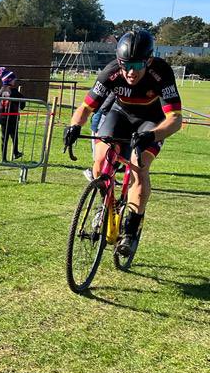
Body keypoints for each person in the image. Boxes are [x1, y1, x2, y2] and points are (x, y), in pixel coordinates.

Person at [64, 28, 182, 258]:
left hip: (151, 121)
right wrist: (74, 126)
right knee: (100, 159)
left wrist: (154, 135)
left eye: (137, 66)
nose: (130, 71)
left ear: (148, 61)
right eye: (125, 64)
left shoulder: (161, 72)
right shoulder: (111, 72)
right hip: (120, 115)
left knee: (139, 165)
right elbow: (86, 107)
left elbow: (175, 119)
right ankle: (105, 204)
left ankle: (131, 228)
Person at [0, 67, 25, 160]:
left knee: (4, 138)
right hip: (12, 118)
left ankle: (4, 158)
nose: (14, 81)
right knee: (14, 136)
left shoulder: (1, 90)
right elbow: (23, 99)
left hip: (3, 118)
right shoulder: (14, 91)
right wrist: (22, 106)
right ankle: (15, 152)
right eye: (13, 79)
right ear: (9, 80)